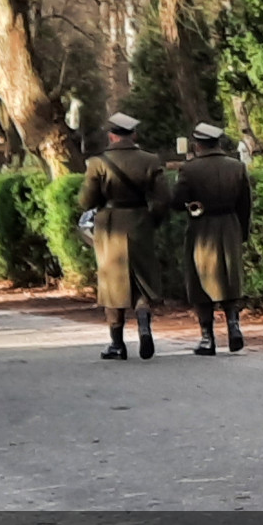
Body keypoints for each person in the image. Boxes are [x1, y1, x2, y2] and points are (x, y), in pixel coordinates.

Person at [77, 112, 170, 361]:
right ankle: (143, 322)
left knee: (112, 281)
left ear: (111, 136)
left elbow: (86, 200)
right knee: (142, 278)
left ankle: (117, 344)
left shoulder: (98, 163)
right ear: (134, 135)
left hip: (109, 225)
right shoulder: (150, 160)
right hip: (140, 221)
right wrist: (152, 221)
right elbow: (163, 198)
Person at [172, 122, 252, 356]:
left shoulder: (190, 169)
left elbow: (177, 201)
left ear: (197, 144)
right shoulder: (236, 167)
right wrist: (242, 232)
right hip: (229, 225)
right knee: (230, 278)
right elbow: (245, 204)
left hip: (202, 226)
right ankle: (233, 326)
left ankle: (207, 337)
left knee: (200, 281)